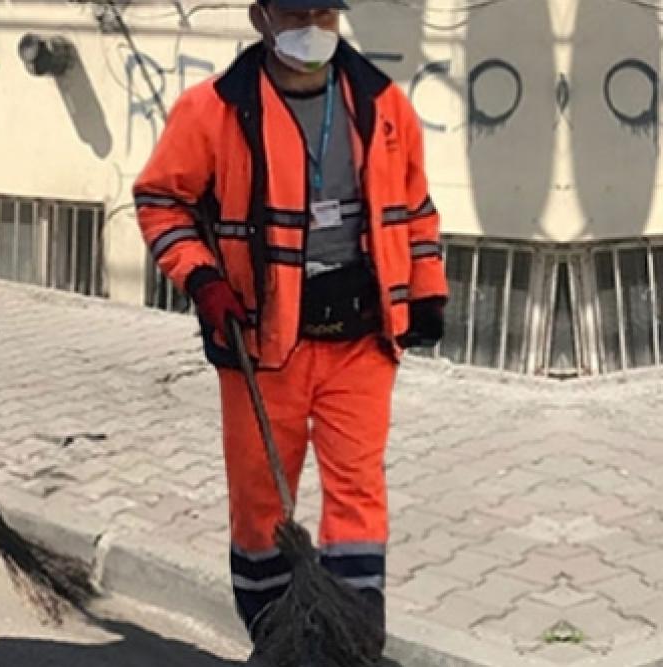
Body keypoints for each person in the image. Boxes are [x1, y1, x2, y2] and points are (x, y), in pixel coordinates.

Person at [134, 0, 449, 660]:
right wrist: (202, 279)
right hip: (262, 345)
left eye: (323, 10)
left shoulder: (383, 105)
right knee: (260, 508)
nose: (312, 24)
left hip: (360, 343)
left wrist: (426, 294)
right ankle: (275, 638)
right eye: (296, 9)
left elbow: (414, 209)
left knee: (358, 500)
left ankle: (351, 643)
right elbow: (163, 202)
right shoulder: (213, 111)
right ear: (261, 17)